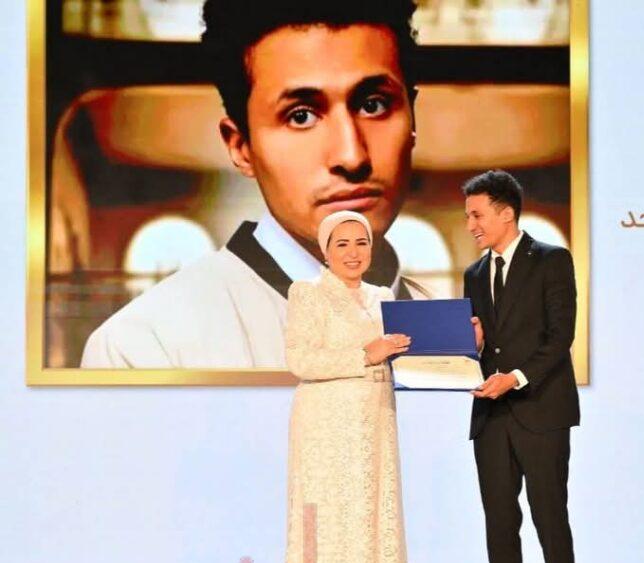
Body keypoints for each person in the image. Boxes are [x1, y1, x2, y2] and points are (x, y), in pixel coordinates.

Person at [80, 0, 429, 368]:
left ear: (412, 116)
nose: (351, 155)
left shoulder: (452, 332)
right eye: (301, 116)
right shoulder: (146, 348)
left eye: (373, 105)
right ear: (241, 147)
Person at [455, 170, 582, 563]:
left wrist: (517, 377)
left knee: (551, 526)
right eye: (468, 215)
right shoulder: (473, 274)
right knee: (500, 530)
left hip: (541, 413)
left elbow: (560, 336)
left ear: (506, 213)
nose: (470, 224)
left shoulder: (552, 260)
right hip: (492, 418)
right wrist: (474, 347)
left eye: (477, 214)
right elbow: (484, 346)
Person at [282, 210, 414, 563]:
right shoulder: (308, 293)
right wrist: (365, 353)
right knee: (330, 528)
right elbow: (300, 360)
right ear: (325, 250)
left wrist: (460, 342)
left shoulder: (383, 297)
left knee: (373, 526)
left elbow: (408, 354)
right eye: (342, 244)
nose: (353, 252)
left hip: (375, 423)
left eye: (361, 243)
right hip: (326, 426)